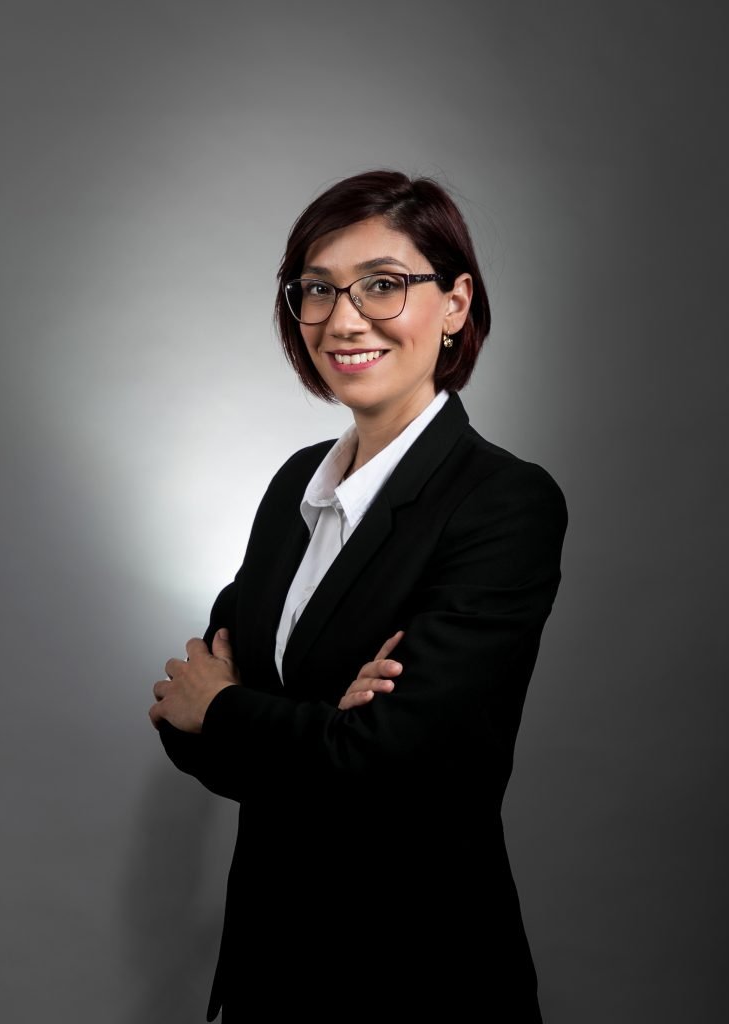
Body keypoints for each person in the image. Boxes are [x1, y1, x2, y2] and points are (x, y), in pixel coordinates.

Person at [149, 169, 567, 1022]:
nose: (343, 320)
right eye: (318, 289)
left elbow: (397, 767)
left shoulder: (502, 502)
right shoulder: (295, 484)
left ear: (454, 304)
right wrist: (318, 729)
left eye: (382, 285)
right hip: (271, 972)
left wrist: (231, 710)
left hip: (419, 978)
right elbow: (182, 721)